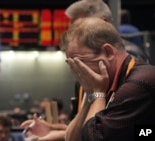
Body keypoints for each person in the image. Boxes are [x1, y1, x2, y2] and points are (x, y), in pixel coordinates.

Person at [21, 17, 155, 141]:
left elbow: (93, 137)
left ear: (108, 52)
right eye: (72, 66)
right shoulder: (102, 82)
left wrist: (97, 93)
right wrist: (90, 94)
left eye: (81, 63)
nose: (78, 73)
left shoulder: (139, 83)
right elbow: (72, 138)